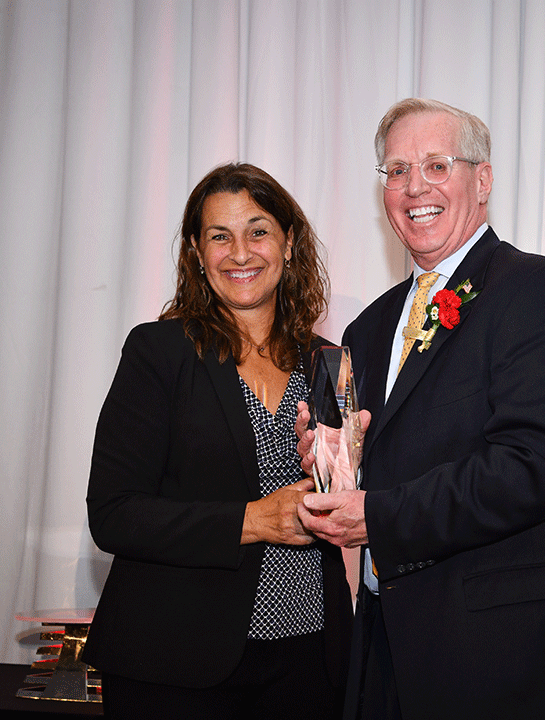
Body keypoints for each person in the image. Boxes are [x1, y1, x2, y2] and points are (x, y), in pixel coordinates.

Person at [296, 99, 545, 719]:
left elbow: (543, 466)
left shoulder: (540, 292)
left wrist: (381, 517)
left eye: (437, 165)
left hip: (505, 661)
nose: (415, 186)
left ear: (483, 180)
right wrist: (330, 465)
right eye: (396, 171)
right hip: (386, 655)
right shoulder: (365, 331)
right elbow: (367, 469)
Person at [83, 163, 353, 719]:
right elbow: (113, 514)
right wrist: (253, 520)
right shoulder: (158, 353)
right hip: (174, 665)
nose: (240, 253)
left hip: (309, 662)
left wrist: (353, 478)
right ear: (195, 252)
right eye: (219, 236)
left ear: (289, 242)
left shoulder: (329, 362)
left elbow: (346, 500)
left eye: (258, 231)